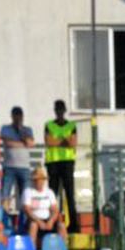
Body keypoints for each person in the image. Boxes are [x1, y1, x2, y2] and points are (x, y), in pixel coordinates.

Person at [44, 99, 78, 233]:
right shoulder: (49, 125)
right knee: (53, 195)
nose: (59, 112)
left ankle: (74, 225)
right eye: (57, 110)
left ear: (64, 111)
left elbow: (73, 142)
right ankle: (52, 224)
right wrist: (64, 140)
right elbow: (49, 142)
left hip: (67, 163)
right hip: (53, 163)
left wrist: (57, 140)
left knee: (70, 194)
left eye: (61, 110)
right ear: (55, 111)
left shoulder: (71, 125)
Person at [0, 106, 35, 215]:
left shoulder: (27, 130)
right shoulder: (5, 128)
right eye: (15, 115)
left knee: (25, 196)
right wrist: (22, 144)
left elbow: (30, 143)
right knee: (5, 194)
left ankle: (23, 220)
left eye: (19, 116)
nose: (17, 118)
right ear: (12, 116)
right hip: (9, 167)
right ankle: (5, 219)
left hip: (24, 167)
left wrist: (20, 131)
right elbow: (7, 143)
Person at [22, 167, 65, 250]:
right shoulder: (28, 191)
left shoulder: (49, 192)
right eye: (37, 180)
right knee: (33, 225)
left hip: (48, 219)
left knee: (61, 226)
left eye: (41, 180)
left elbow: (55, 209)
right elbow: (27, 210)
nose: (39, 182)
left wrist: (51, 221)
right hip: (34, 219)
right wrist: (39, 221)